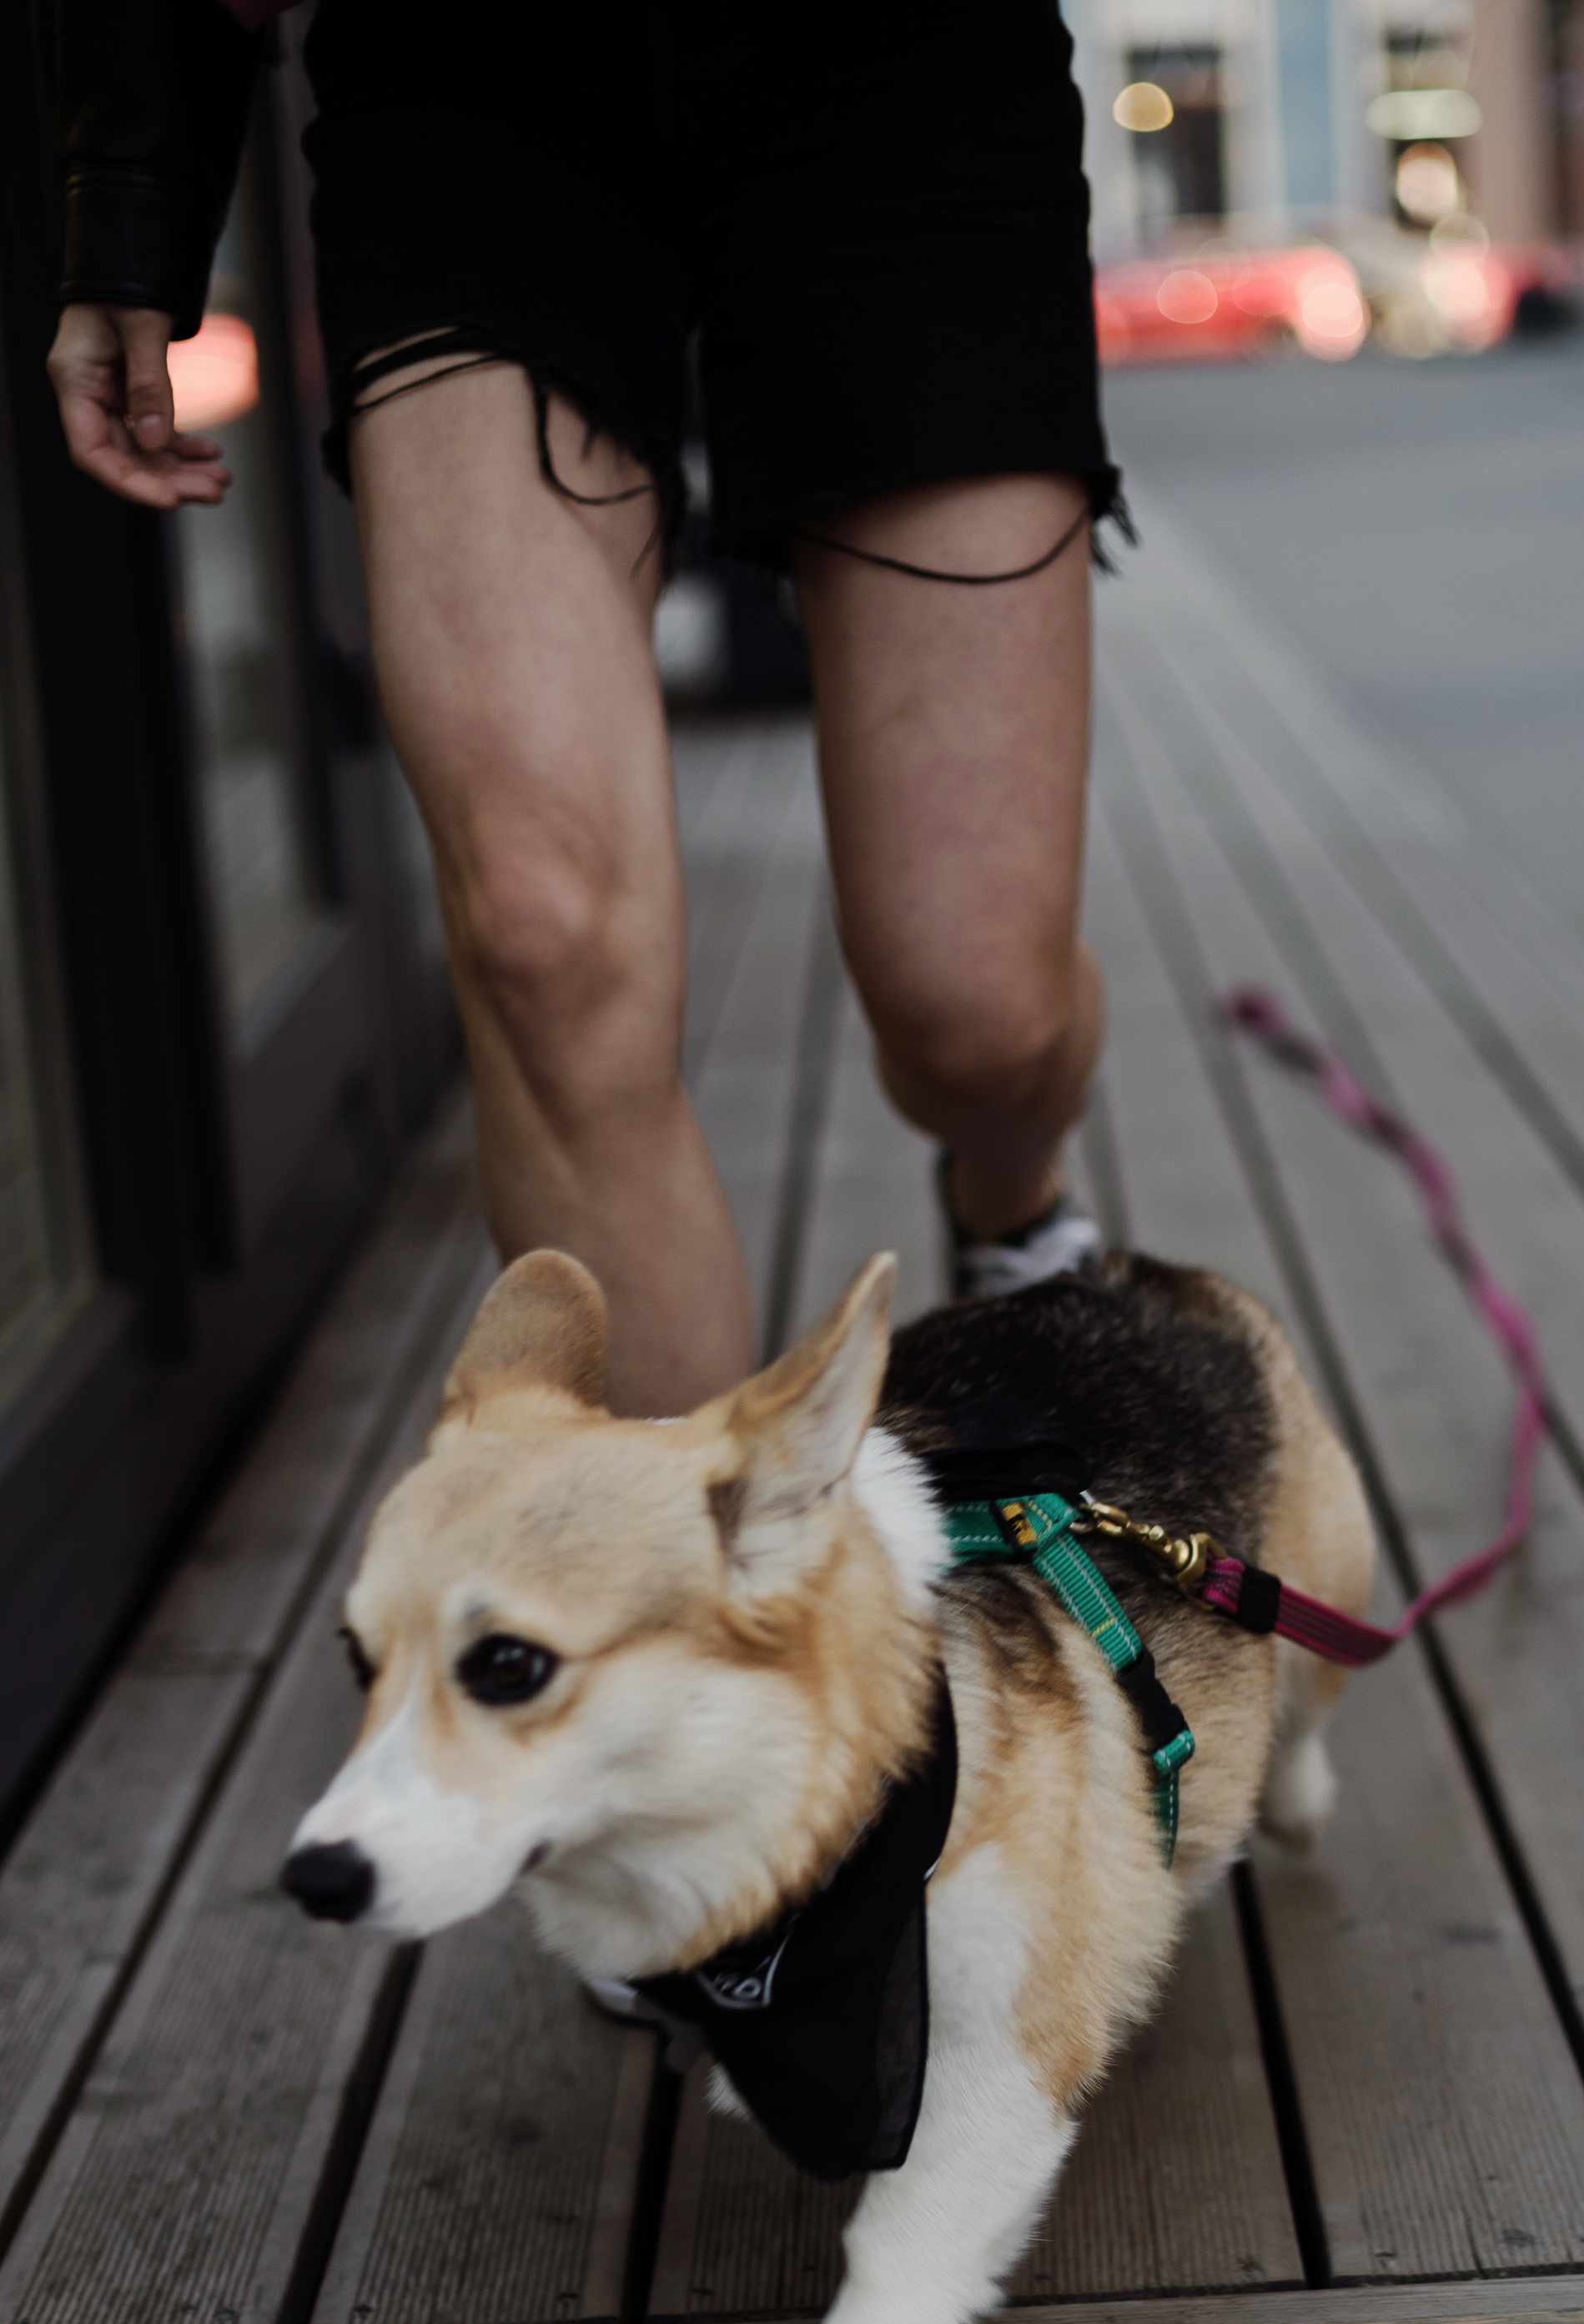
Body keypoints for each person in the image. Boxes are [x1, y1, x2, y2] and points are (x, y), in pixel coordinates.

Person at [40, 0, 1122, 1414]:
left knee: (979, 1014)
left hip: (903, 83)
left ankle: (1015, 1202)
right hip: (467, 97)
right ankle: (698, 1623)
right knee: (542, 935)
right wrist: (129, 191)